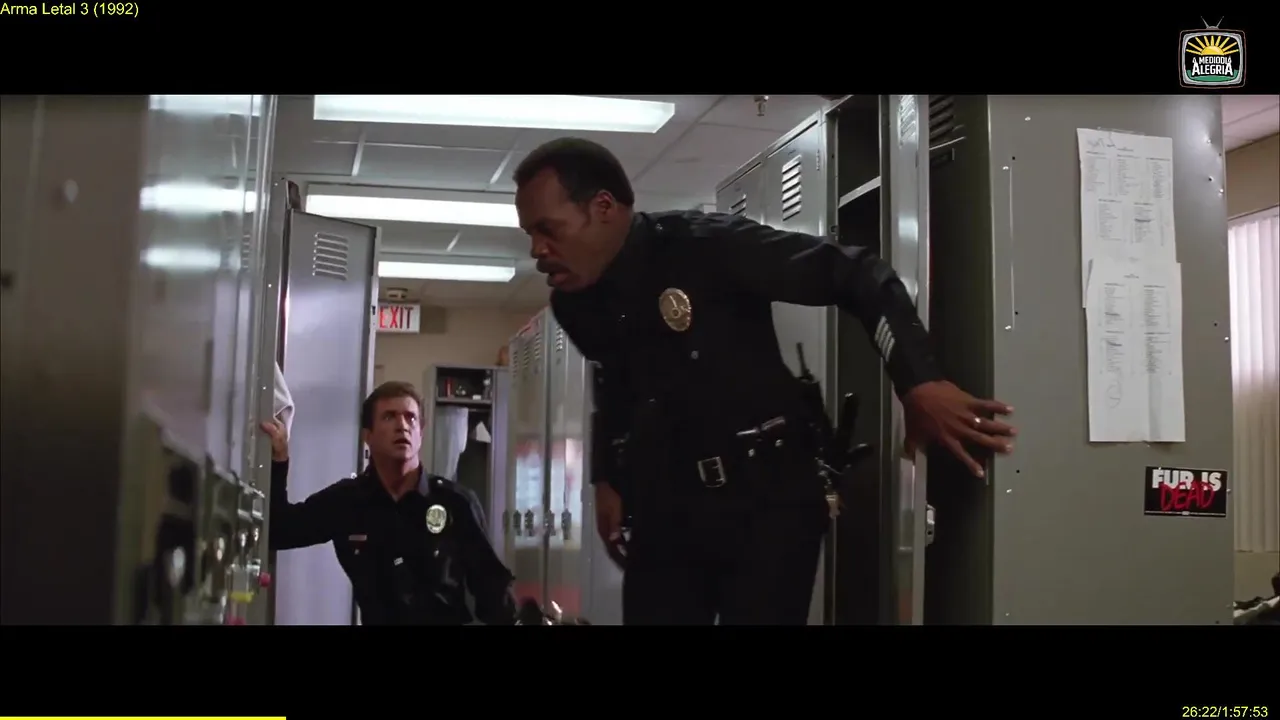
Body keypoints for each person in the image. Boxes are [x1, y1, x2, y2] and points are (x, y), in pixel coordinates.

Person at [512, 137, 1018, 626]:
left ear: (603, 207)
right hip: (665, 507)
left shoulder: (705, 245)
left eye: (548, 229)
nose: (538, 249)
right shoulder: (574, 303)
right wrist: (606, 479)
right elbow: (614, 383)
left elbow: (858, 274)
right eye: (530, 234)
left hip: (766, 500)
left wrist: (918, 381)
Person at [260, 381, 517, 625]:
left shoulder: (455, 503)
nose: (402, 426)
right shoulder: (349, 501)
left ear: (421, 432)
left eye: (410, 418)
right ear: (368, 435)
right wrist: (279, 460)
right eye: (389, 417)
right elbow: (280, 531)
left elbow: (493, 593)